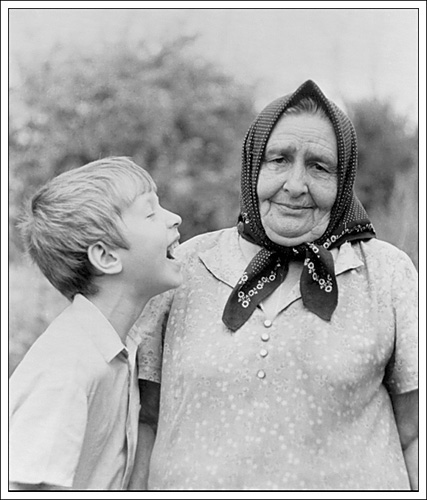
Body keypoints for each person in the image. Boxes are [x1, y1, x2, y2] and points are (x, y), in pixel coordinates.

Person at [132, 80, 418, 491]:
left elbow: (415, 432)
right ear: (253, 166)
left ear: (343, 181)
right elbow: (146, 419)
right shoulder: (185, 267)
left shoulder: (386, 273)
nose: (295, 185)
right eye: (279, 160)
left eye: (319, 167)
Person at [9, 157, 182, 490]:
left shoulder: (115, 351)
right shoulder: (67, 365)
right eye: (150, 213)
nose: (174, 218)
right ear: (106, 257)